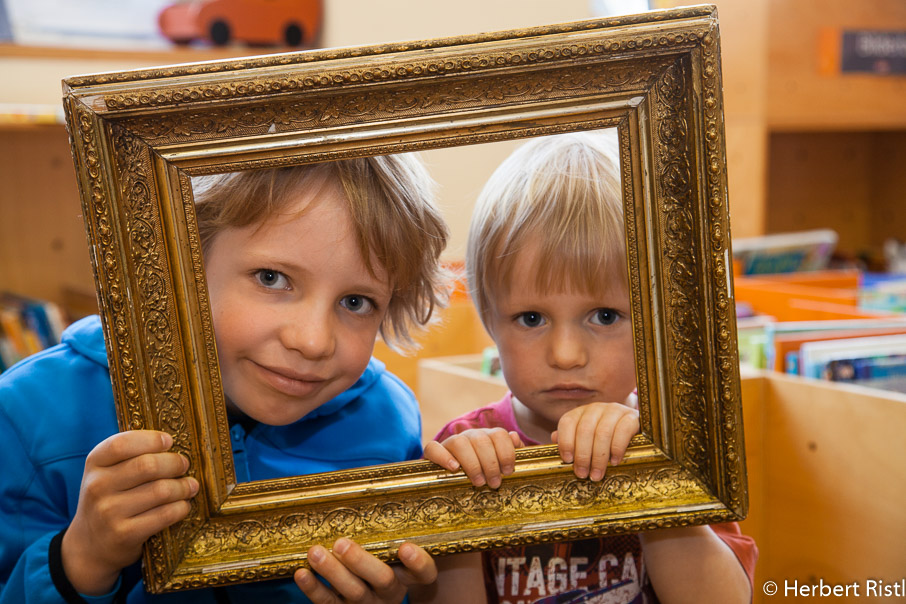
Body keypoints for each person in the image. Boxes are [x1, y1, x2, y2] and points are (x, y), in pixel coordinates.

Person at [0, 155, 452, 604]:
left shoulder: (387, 423)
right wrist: (81, 560)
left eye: (356, 302)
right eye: (272, 278)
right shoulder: (29, 415)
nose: (313, 342)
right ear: (178, 261)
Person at [421, 131, 758, 604]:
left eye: (604, 316)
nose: (565, 354)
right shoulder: (463, 450)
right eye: (531, 318)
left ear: (658, 326)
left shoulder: (680, 442)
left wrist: (648, 469)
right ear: (489, 321)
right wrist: (458, 517)